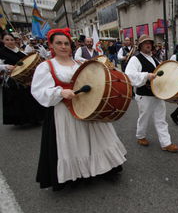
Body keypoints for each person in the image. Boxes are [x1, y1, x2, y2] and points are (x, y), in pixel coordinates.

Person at [31, 28, 127, 191]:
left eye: (66, 43)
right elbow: (38, 91)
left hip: (87, 107)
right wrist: (60, 92)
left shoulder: (79, 64)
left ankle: (103, 169)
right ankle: (75, 175)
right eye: (59, 43)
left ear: (71, 45)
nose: (63, 46)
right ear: (51, 46)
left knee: (96, 139)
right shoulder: (46, 67)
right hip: (63, 112)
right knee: (73, 143)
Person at [125, 34, 178, 153]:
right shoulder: (135, 59)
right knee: (144, 117)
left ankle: (166, 143)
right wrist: (146, 75)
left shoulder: (154, 58)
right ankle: (140, 136)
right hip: (144, 95)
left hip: (157, 94)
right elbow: (129, 75)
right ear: (140, 46)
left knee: (161, 119)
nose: (148, 45)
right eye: (145, 43)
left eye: (150, 43)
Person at [0, 33, 45, 125]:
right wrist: (5, 66)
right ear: (3, 41)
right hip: (12, 79)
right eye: (7, 40)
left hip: (25, 77)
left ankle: (35, 118)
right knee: (19, 100)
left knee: (29, 98)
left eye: (11, 40)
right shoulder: (1, 52)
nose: (10, 42)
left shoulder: (19, 51)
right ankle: (22, 120)